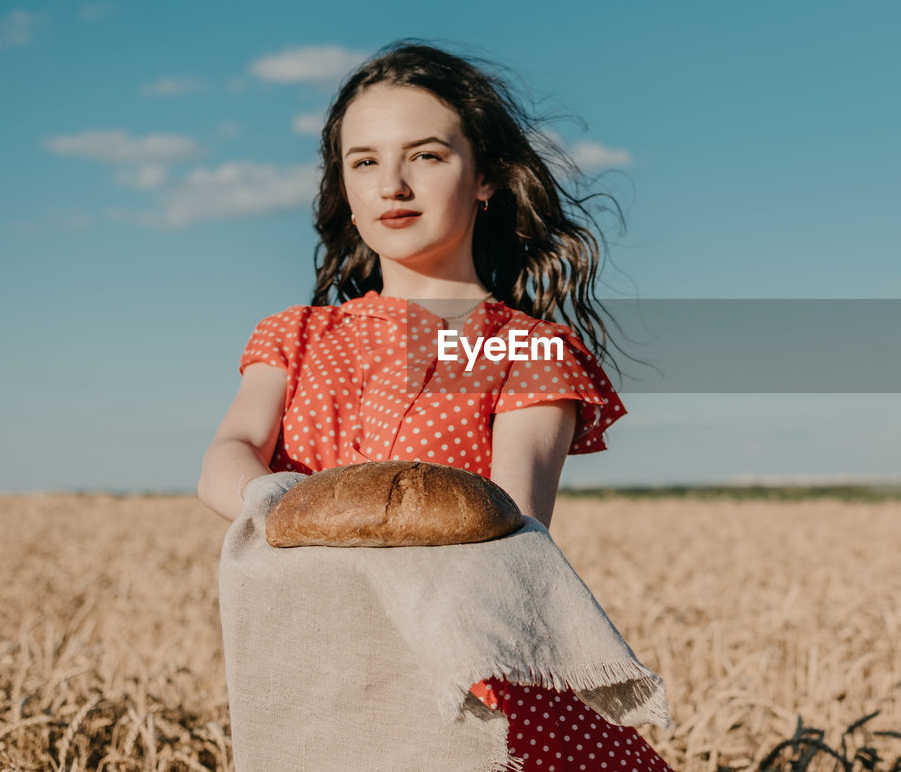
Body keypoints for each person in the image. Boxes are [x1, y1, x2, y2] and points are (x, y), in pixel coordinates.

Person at [197, 40, 673, 770]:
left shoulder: (526, 347)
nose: (392, 184)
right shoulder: (295, 334)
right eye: (364, 162)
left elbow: (513, 519)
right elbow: (225, 460)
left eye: (425, 155)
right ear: (343, 189)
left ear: (484, 178)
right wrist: (286, 499)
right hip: (316, 672)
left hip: (464, 692)